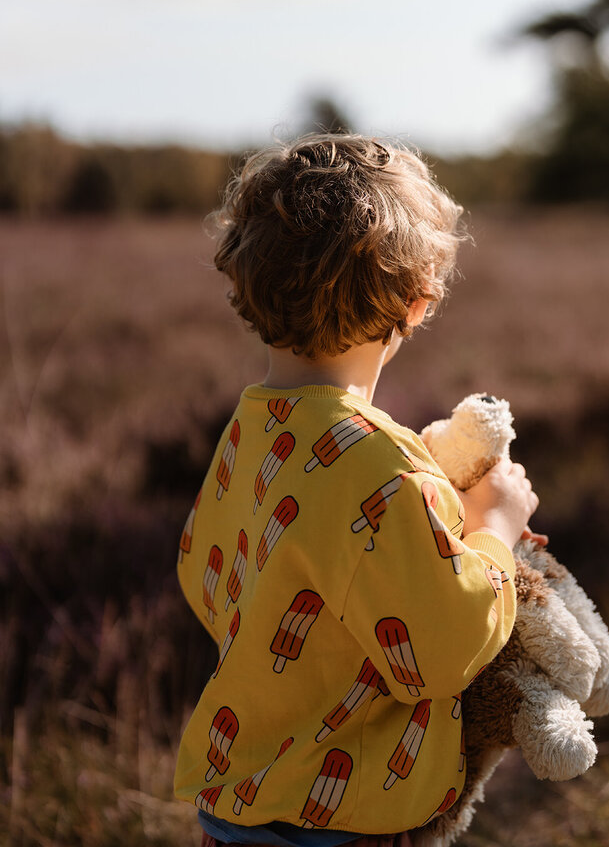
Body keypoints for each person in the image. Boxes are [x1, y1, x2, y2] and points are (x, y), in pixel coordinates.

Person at [173, 134, 539, 847]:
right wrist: (495, 525)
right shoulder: (379, 465)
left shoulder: (249, 429)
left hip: (236, 807)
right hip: (345, 824)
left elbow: (205, 578)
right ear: (417, 301)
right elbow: (444, 644)